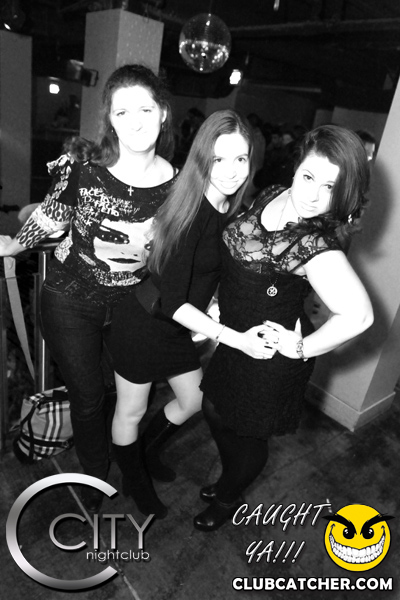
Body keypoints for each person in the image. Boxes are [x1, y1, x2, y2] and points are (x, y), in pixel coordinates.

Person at [0, 64, 177, 513]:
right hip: (69, 298)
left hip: (131, 304)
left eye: (145, 109)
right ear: (110, 120)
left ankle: (130, 459)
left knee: (127, 391)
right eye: (122, 112)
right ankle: (95, 476)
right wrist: (13, 246)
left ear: (163, 113)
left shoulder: (178, 183)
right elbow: (50, 217)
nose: (134, 121)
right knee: (88, 397)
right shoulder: (85, 169)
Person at [189, 124, 374, 532]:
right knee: (214, 410)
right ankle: (230, 478)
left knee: (248, 435)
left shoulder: (316, 247)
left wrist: (300, 348)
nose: (312, 195)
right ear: (296, 166)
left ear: (342, 194)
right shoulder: (273, 193)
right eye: (308, 177)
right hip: (235, 340)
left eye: (330, 187)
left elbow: (360, 316)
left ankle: (228, 495)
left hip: (269, 358)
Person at [109, 109, 271, 517]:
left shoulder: (228, 208)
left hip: (176, 330)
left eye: (240, 158)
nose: (231, 170)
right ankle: (134, 480)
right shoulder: (193, 213)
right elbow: (174, 301)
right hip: (144, 325)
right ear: (202, 160)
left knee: (194, 400)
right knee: (130, 410)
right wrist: (235, 338)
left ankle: (145, 455)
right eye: (219, 159)